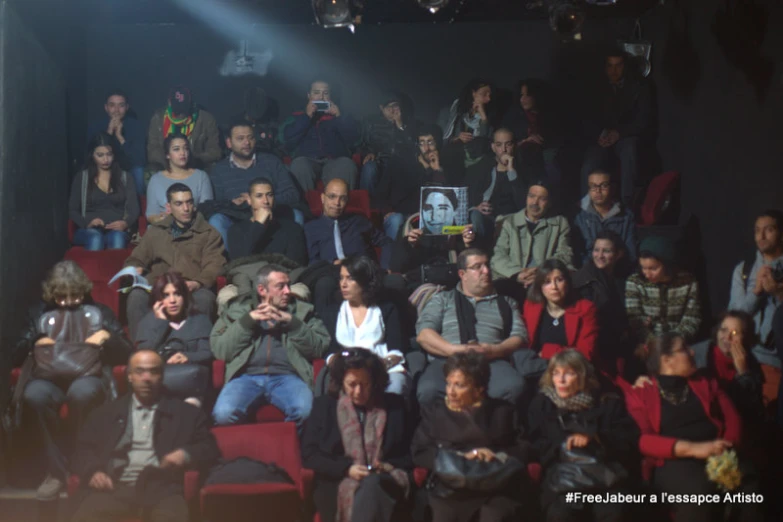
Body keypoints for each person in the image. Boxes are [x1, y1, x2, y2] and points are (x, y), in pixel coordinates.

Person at [15, 261, 132, 500]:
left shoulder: (100, 312)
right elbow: (16, 351)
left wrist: (107, 337)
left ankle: (82, 464)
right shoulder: (39, 314)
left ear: (84, 290)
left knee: (82, 393)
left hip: (88, 375)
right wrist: (34, 340)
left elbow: (126, 351)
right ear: (51, 294)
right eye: (61, 297)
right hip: (49, 377)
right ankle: (57, 472)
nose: (68, 302)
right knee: (34, 394)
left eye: (75, 295)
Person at [623, 333, 763, 522]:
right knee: (697, 496)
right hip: (676, 459)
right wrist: (693, 449)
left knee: (748, 486)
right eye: (684, 349)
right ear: (667, 360)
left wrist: (728, 448)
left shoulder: (705, 381)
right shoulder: (641, 393)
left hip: (718, 450)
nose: (692, 351)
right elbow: (644, 441)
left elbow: (732, 419)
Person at [70, 350, 219, 522]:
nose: (146, 378)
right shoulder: (105, 414)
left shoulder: (187, 414)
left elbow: (209, 448)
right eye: (140, 371)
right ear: (129, 376)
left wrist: (185, 454)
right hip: (113, 487)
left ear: (162, 376)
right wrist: (93, 470)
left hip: (164, 490)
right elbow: (82, 450)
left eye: (154, 371)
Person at [411, 351, 531, 522]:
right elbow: (420, 451)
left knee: (495, 515)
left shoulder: (503, 411)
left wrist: (497, 455)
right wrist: (459, 457)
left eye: (459, 385)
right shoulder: (434, 413)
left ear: (479, 388)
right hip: (450, 487)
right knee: (444, 514)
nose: (450, 392)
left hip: (494, 485)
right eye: (448, 384)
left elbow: (523, 448)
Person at [211, 264, 330, 429]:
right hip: (245, 377)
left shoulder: (303, 311)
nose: (288, 291)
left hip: (288, 377)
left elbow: (319, 347)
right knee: (224, 414)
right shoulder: (236, 310)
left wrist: (292, 323)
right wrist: (247, 321)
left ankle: (290, 451)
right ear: (262, 290)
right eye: (281, 287)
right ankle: (250, 450)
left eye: (288, 285)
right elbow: (221, 350)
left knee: (305, 411)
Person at [302, 349, 414, 522]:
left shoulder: (395, 406)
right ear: (341, 382)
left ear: (375, 382)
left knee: (373, 485)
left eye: (365, 384)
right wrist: (347, 469)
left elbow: (410, 454)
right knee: (368, 489)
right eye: (352, 384)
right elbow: (309, 454)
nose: (358, 391)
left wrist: (385, 467)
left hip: (385, 481)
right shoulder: (324, 407)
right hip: (338, 481)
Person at [527, 350, 639, 522]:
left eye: (569, 373)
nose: (561, 380)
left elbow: (628, 441)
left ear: (583, 376)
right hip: (563, 478)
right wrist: (562, 445)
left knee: (613, 512)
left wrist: (596, 439)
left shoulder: (607, 402)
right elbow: (535, 444)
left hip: (605, 475)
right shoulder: (542, 404)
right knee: (562, 513)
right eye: (556, 373)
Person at [415, 248, 527, 405]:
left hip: (491, 360)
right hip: (448, 359)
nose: (486, 271)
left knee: (512, 386)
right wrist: (454, 350)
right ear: (462, 274)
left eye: (487, 265)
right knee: (429, 389)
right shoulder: (442, 299)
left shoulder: (507, 303)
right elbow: (424, 335)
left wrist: (495, 350)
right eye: (477, 267)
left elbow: (519, 336)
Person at [124, 183, 225, 342]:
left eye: (189, 202)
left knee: (205, 299)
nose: (186, 208)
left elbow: (214, 265)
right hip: (158, 286)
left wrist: (197, 283)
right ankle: (142, 349)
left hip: (191, 287)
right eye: (179, 203)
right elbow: (136, 259)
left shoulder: (208, 233)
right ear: (169, 206)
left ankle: (193, 349)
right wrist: (135, 269)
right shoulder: (156, 232)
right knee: (136, 296)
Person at [208, 120, 304, 254]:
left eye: (250, 138)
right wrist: (234, 203)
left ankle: (293, 263)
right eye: (240, 139)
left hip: (272, 215)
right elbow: (215, 204)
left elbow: (292, 195)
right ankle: (229, 267)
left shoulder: (271, 162)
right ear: (229, 143)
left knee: (296, 215)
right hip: (238, 220)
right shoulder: (219, 170)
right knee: (216, 220)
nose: (247, 143)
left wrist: (261, 201)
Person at [320, 256, 411, 396]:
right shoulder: (333, 312)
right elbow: (330, 351)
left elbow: (397, 350)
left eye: (350, 278)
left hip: (383, 369)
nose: (343, 284)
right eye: (341, 278)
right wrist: (340, 366)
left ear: (364, 281)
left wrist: (375, 367)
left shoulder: (386, 308)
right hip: (346, 371)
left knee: (395, 389)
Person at [581, 49, 652, 207]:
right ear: (605, 67)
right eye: (610, 66)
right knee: (589, 163)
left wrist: (619, 133)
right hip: (600, 138)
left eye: (618, 65)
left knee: (629, 151)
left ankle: (628, 207)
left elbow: (643, 121)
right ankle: (586, 211)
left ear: (625, 66)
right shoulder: (594, 86)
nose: (614, 70)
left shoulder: (638, 87)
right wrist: (599, 134)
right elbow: (586, 117)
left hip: (625, 137)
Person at [134, 271, 214, 407]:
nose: (172, 300)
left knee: (189, 407)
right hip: (159, 388)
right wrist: (160, 324)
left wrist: (187, 357)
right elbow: (144, 356)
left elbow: (207, 352)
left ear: (184, 296)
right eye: (166, 295)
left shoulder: (200, 320)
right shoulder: (147, 323)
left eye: (177, 294)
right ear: (158, 299)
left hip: (191, 387)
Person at [490, 181, 573, 300]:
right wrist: (518, 274)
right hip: (512, 278)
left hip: (544, 279)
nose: (535, 202)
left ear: (549, 203)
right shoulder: (509, 222)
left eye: (542, 199)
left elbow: (565, 255)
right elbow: (498, 255)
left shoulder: (560, 224)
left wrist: (540, 273)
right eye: (532, 196)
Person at [280, 79, 360, 191]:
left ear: (330, 96)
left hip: (334, 160)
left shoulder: (341, 117)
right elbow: (286, 140)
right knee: (299, 165)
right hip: (307, 160)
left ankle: (339, 205)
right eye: (316, 93)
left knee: (347, 165)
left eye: (325, 93)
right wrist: (307, 117)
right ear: (309, 95)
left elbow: (354, 140)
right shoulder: (297, 116)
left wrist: (339, 117)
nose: (321, 97)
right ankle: (302, 207)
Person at [728, 209, 783, 369]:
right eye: (757, 230)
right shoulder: (744, 270)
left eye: (769, 229)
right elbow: (734, 317)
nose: (762, 236)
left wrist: (778, 293)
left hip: (777, 362)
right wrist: (756, 293)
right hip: (745, 357)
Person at [376, 124, 449, 240]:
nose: (426, 148)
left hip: (428, 217)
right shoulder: (402, 163)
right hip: (401, 215)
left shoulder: (444, 167)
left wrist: (436, 171)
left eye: (430, 142)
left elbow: (445, 200)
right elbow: (382, 192)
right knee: (396, 220)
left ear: (438, 144)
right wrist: (386, 212)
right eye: (422, 143)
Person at [625, 236, 701, 348]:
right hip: (647, 347)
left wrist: (672, 341)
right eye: (643, 268)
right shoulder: (635, 282)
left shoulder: (687, 282)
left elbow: (692, 319)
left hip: (678, 345)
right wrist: (653, 342)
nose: (647, 273)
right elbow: (634, 321)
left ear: (667, 264)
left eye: (653, 268)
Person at [572, 231, 631, 372]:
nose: (600, 256)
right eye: (596, 250)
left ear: (619, 254)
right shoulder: (584, 280)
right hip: (597, 339)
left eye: (606, 251)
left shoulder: (621, 279)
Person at [69, 132, 140, 251]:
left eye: (109, 154)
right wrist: (88, 223)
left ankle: (116, 270)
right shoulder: (82, 178)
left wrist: (125, 223)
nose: (105, 159)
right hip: (89, 230)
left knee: (117, 238)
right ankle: (91, 270)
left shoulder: (125, 177)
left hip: (116, 229)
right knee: (96, 238)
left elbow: (134, 209)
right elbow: (72, 210)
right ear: (92, 155)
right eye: (100, 155)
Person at [522, 259, 599, 362]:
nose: (554, 287)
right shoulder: (531, 306)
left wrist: (547, 351)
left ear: (567, 282)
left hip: (572, 368)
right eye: (547, 282)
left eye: (559, 280)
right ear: (540, 286)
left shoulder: (586, 309)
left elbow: (584, 354)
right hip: (537, 367)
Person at [304, 178, 391, 267]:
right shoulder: (311, 228)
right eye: (332, 196)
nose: (337, 203)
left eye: (343, 198)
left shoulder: (358, 222)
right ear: (322, 198)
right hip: (330, 274)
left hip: (361, 272)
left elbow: (386, 241)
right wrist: (332, 263)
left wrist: (385, 267)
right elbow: (312, 262)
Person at [464, 128, 529, 242]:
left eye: (508, 144)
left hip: (510, 222)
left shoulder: (522, 171)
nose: (504, 150)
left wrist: (511, 172)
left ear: (514, 146)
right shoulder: (481, 168)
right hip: (485, 220)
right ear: (493, 147)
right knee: (475, 215)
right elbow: (466, 198)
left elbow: (523, 205)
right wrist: (476, 207)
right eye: (499, 145)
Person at [226, 177, 308, 265]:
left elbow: (297, 264)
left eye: (269, 195)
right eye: (259, 196)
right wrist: (258, 225)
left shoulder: (292, 228)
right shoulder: (236, 230)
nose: (265, 201)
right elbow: (239, 262)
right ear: (249, 200)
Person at [501, 78, 563, 185]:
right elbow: (503, 141)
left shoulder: (549, 115)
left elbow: (556, 139)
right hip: (521, 157)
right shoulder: (514, 115)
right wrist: (525, 140)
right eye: (521, 95)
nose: (523, 99)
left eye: (527, 95)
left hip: (547, 157)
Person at [147, 85, 222, 171]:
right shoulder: (158, 119)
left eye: (183, 108)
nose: (181, 114)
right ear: (169, 103)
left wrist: (191, 160)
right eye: (177, 109)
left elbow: (215, 152)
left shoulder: (206, 119)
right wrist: (171, 162)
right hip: (166, 169)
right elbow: (153, 151)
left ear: (190, 103)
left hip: (197, 169)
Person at [86, 89, 146, 195]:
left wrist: (120, 137)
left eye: (121, 105)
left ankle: (138, 205)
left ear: (127, 107)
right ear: (106, 108)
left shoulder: (136, 126)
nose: (116, 110)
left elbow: (139, 158)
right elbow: (91, 155)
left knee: (139, 170)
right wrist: (109, 133)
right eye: (112, 105)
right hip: (104, 165)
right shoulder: (96, 126)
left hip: (127, 166)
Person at [359, 92, 419, 196]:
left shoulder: (409, 123)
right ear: (381, 108)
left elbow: (413, 146)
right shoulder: (370, 122)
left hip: (399, 162)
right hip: (379, 160)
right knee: (369, 168)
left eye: (395, 106)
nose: (392, 110)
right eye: (388, 107)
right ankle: (368, 204)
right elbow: (361, 144)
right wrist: (368, 153)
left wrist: (400, 125)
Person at [573, 169, 637, 266]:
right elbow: (578, 253)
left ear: (613, 188)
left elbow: (631, 252)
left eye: (604, 185)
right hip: (589, 271)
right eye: (593, 186)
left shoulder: (626, 216)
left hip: (618, 270)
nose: (598, 191)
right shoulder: (579, 216)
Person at [146, 134, 213, 223]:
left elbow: (208, 210)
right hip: (166, 228)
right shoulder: (156, 180)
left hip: (195, 226)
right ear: (167, 155)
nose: (182, 153)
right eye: (176, 149)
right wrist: (163, 219)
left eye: (186, 148)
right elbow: (151, 214)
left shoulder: (201, 176)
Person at [439, 78, 494, 176]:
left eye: (490, 95)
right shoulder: (453, 112)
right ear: (473, 93)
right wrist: (457, 138)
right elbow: (440, 139)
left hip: (477, 158)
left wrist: (483, 117)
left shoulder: (490, 115)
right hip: (455, 157)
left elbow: (485, 140)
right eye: (484, 94)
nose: (488, 99)